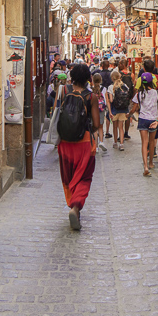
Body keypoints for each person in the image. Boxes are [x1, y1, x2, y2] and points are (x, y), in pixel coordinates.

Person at [57, 63, 100, 230]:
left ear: (72, 77)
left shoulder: (64, 92)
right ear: (88, 78)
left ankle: (71, 203)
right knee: (84, 177)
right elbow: (96, 124)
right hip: (84, 143)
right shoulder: (91, 97)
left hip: (65, 144)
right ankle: (76, 207)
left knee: (68, 176)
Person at [130, 72, 158, 176]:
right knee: (151, 142)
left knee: (144, 143)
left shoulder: (139, 94)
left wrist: (129, 114)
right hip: (153, 120)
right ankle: (151, 163)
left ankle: (145, 166)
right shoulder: (157, 93)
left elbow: (134, 108)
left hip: (143, 119)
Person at [106, 70, 130, 150]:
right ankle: (122, 144)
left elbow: (111, 100)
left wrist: (109, 111)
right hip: (123, 109)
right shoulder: (125, 85)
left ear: (112, 78)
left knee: (115, 127)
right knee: (121, 127)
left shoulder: (110, 87)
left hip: (115, 109)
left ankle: (115, 142)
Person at [91, 73, 108, 153]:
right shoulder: (104, 89)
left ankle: (96, 146)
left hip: (93, 110)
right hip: (101, 110)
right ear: (101, 80)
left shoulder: (90, 89)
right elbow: (106, 100)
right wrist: (109, 110)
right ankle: (101, 141)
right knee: (101, 127)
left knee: (95, 128)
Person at [118, 59, 134, 139]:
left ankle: (120, 133)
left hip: (120, 97)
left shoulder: (119, 74)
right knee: (128, 114)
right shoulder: (131, 75)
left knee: (120, 114)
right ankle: (126, 133)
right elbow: (133, 86)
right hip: (129, 97)